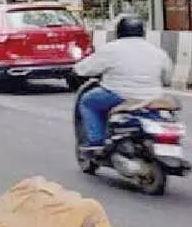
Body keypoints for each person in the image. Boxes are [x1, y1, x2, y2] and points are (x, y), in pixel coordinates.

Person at [73, 15, 172, 155]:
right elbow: (167, 78)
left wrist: (76, 70)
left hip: (119, 95)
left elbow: (83, 69)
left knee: (87, 102)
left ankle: (96, 143)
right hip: (152, 98)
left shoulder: (111, 49)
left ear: (119, 32)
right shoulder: (158, 51)